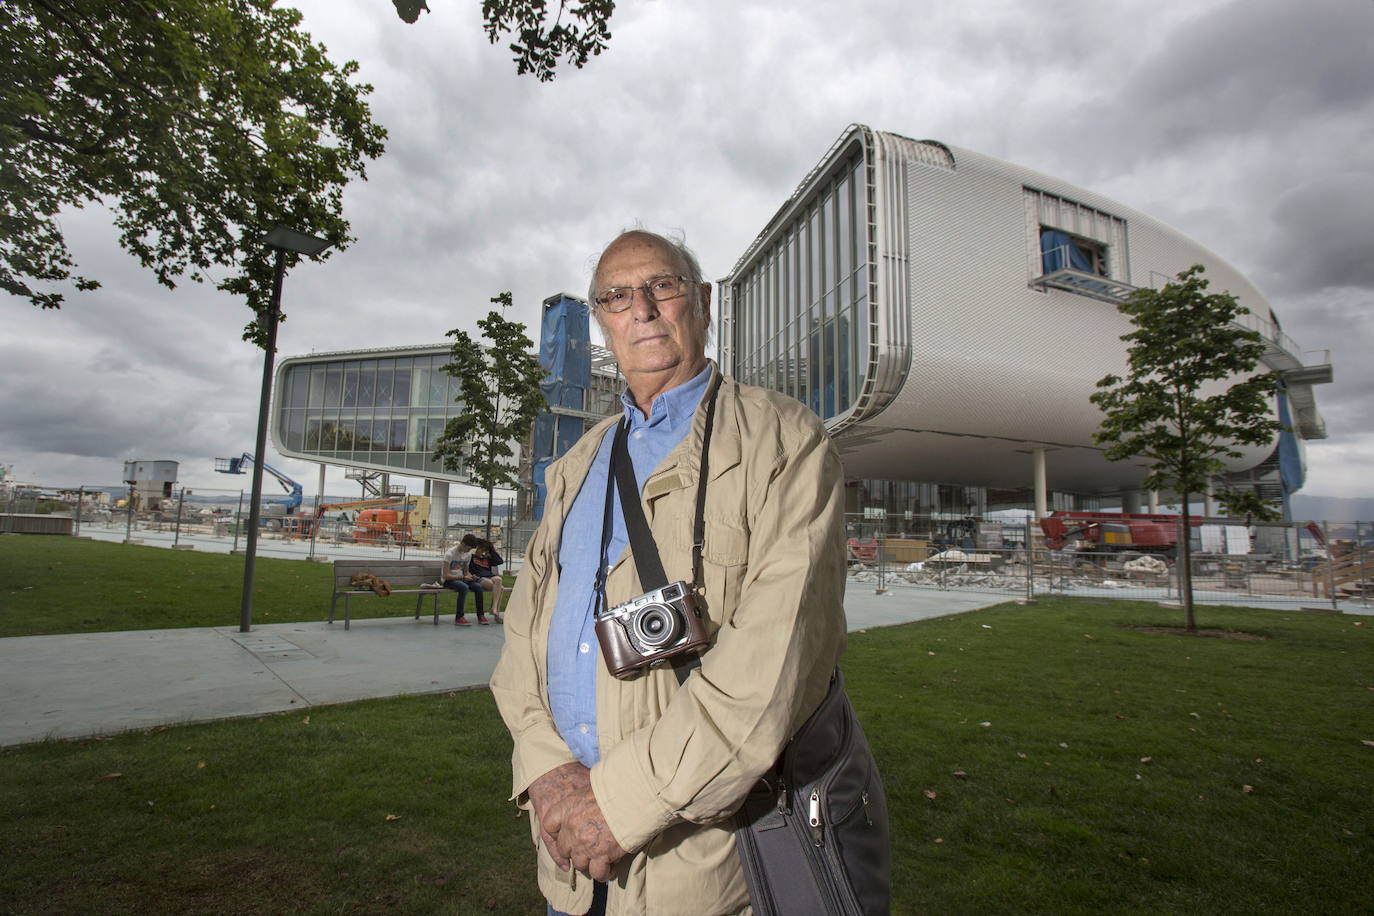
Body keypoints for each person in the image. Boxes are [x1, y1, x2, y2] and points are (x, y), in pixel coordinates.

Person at [490, 229, 849, 915]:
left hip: (696, 870)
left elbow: (774, 666)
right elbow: (521, 640)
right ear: (602, 320)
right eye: (617, 296)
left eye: (664, 285)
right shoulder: (576, 466)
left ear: (703, 302)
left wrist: (617, 808)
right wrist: (547, 773)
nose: (643, 310)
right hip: (568, 860)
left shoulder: (784, 441)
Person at [463, 534, 506, 624]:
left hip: (490, 576)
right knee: (500, 588)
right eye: (482, 549)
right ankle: (496, 615)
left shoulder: (487, 557)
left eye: (486, 550)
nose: (483, 552)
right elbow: (465, 569)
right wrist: (471, 576)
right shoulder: (471, 557)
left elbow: (500, 561)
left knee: (498, 579)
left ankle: (493, 608)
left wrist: (491, 548)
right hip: (479, 578)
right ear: (477, 547)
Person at [442, 537, 477, 625]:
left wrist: (471, 576)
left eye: (471, 549)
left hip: (460, 579)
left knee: (478, 586)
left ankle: (481, 615)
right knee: (464, 587)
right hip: (448, 580)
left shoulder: (467, 554)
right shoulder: (450, 554)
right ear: (463, 544)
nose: (469, 551)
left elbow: (466, 572)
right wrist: (463, 578)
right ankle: (459, 617)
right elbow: (445, 576)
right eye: (468, 548)